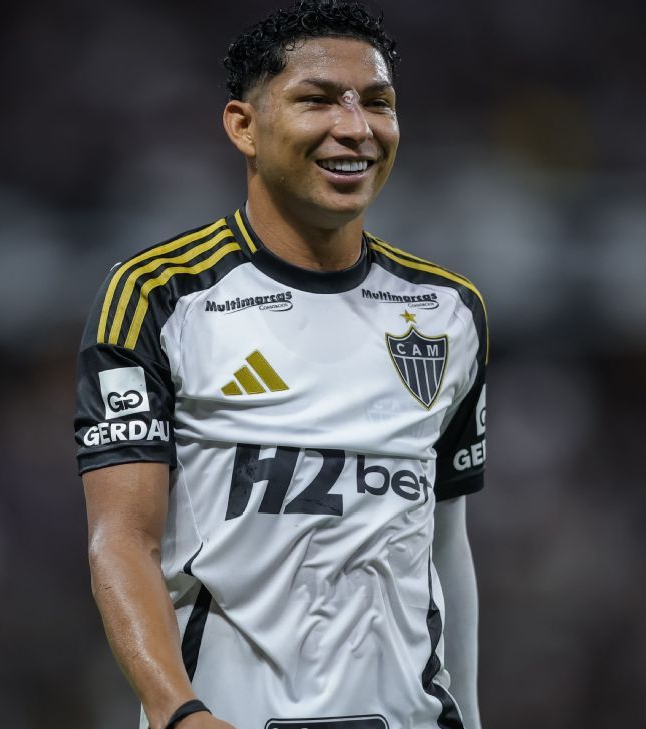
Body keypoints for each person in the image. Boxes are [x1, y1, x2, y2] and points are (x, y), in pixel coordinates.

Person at [75, 2, 487, 727]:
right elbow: (123, 539)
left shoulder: (449, 312)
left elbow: (446, 544)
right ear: (244, 126)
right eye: (318, 100)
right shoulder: (159, 296)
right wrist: (178, 712)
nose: (356, 128)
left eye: (378, 103)